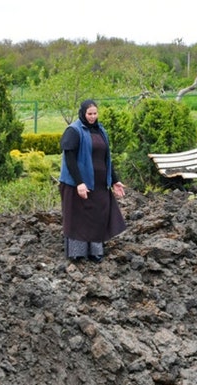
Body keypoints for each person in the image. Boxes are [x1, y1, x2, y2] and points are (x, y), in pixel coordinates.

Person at [59, 99, 126, 263]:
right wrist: (79, 183)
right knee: (78, 216)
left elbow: (105, 159)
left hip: (100, 183)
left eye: (95, 113)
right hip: (77, 182)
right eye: (89, 114)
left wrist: (114, 180)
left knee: (98, 215)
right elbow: (70, 158)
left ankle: (95, 251)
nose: (92, 117)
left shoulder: (101, 130)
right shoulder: (74, 131)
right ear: (82, 113)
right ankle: (77, 252)